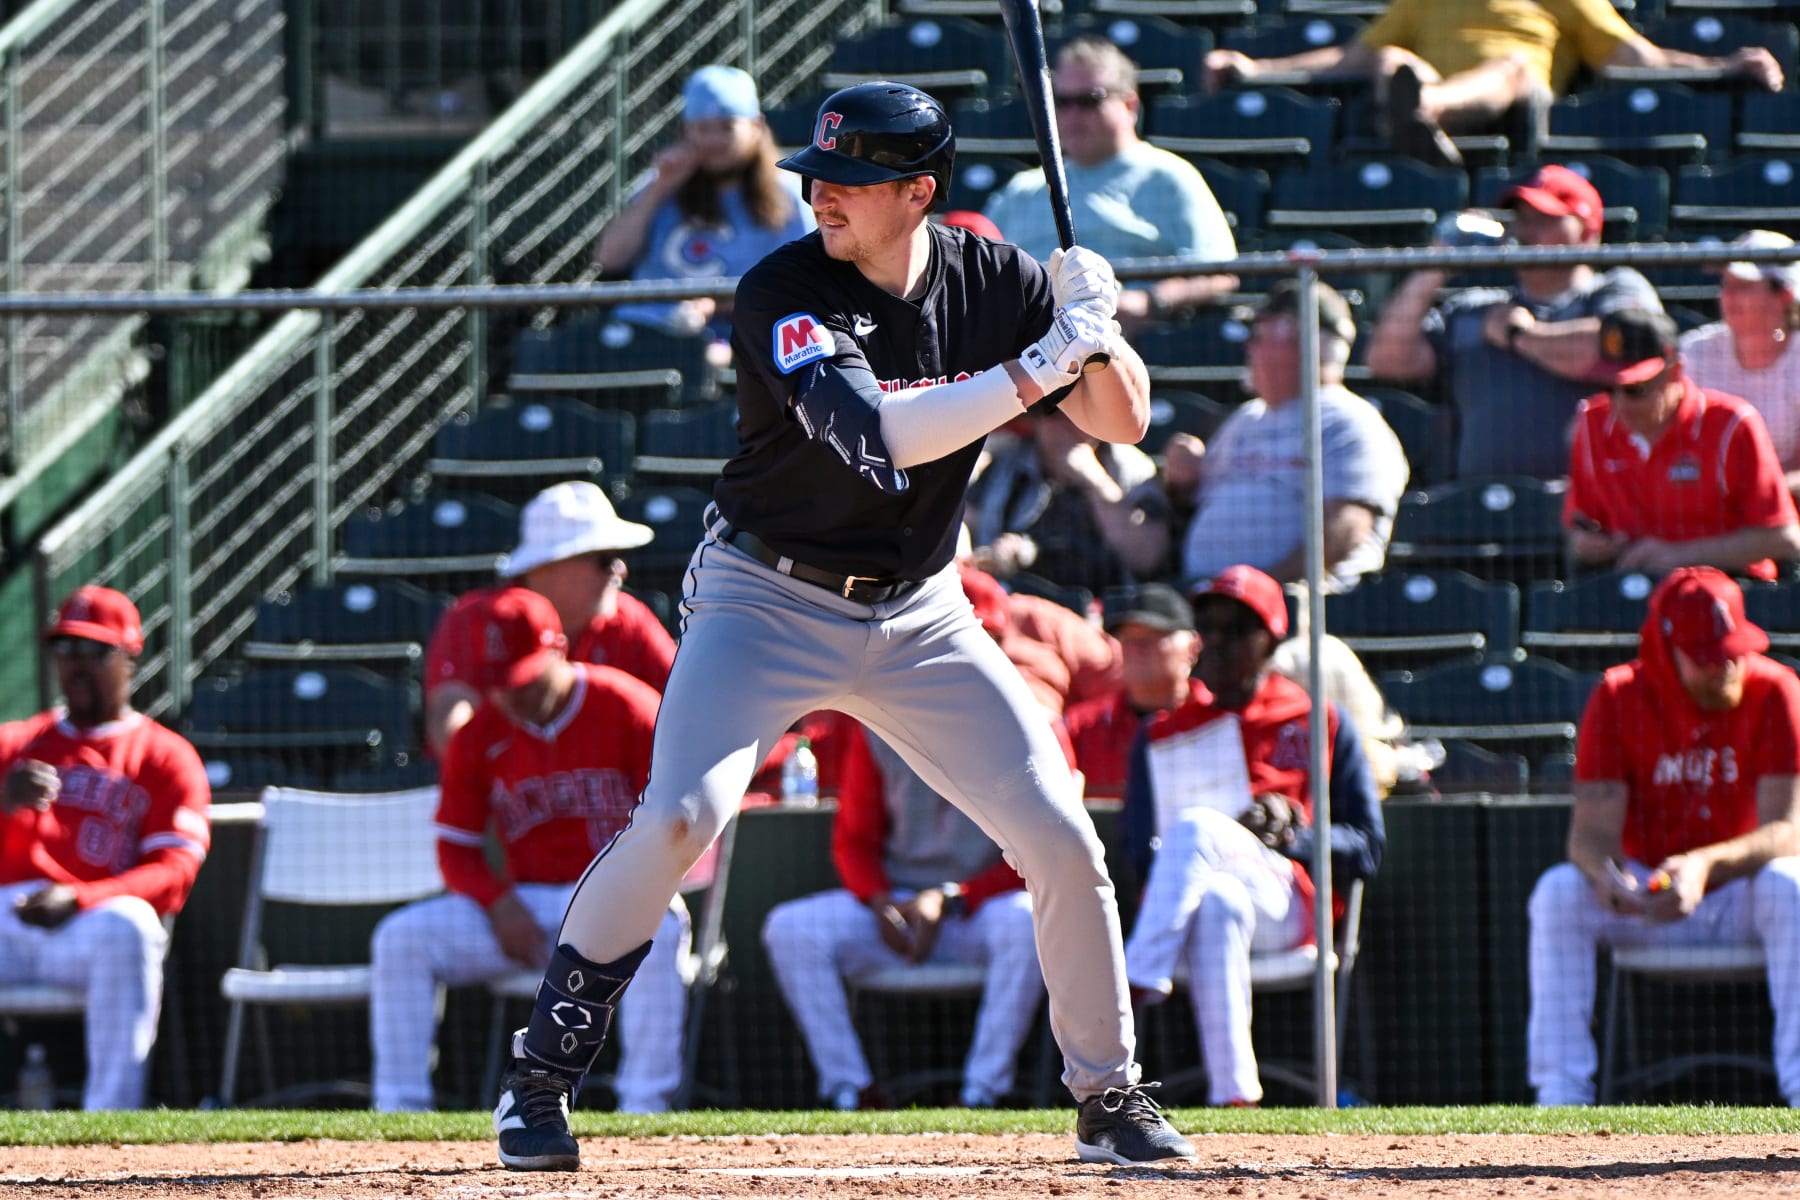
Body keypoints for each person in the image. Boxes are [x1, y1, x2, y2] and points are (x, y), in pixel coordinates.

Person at [490, 80, 1196, 1171]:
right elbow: (878, 437)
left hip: (921, 610)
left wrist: (1095, 331)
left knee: (1059, 833)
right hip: (764, 597)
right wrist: (1041, 364)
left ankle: (1109, 1092)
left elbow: (1121, 420)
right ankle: (540, 1078)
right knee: (680, 818)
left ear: (919, 192)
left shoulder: (990, 278)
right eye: (819, 176)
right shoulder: (783, 286)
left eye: (855, 183)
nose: (823, 195)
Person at [370, 587, 693, 1114]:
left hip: (618, 898)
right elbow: (457, 849)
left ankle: (645, 1107)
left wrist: (633, 896)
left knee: (665, 928)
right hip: (528, 905)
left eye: (523, 679)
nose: (512, 696)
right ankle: (400, 1110)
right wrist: (498, 905)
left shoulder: (628, 706)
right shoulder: (480, 734)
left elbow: (676, 823)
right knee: (400, 939)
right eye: (498, 684)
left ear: (561, 648)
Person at [1527, 567, 1800, 1107]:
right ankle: (1560, 1099)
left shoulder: (1775, 689)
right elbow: (1588, 838)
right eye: (1707, 656)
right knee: (1560, 892)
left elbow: (1788, 831)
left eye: (1731, 649)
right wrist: (1611, 881)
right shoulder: (1618, 694)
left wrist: (1703, 865)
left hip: (1737, 895)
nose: (1725, 666)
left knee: (1791, 883)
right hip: (1649, 896)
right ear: (1666, 648)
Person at [1120, 566, 1385, 1107]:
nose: (1216, 642)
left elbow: (1367, 846)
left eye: (1236, 630)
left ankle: (1134, 981)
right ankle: (1235, 1095)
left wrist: (1296, 834)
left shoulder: (1317, 719)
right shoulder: (1166, 728)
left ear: (1271, 639)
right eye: (1208, 629)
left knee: (1196, 824)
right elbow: (1134, 849)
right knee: (1217, 896)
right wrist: (1178, 856)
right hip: (1199, 904)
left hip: (1289, 905)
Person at [761, 719, 1052, 1111]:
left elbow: (1045, 850)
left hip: (981, 909)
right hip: (899, 910)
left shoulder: (1021, 722)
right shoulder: (880, 727)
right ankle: (854, 1093)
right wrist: (880, 900)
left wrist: (953, 898)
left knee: (1025, 920)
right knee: (792, 928)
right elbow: (854, 842)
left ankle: (981, 1094)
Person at [0, 586, 211, 1110]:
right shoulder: (15, 744)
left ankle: (112, 1117)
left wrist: (82, 899)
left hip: (86, 925)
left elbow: (174, 872)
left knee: (133, 925)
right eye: (65, 650)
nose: (75, 666)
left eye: (94, 652)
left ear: (129, 658)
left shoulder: (166, 756)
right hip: (7, 917)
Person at [1204, 0, 1783, 168]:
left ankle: (1422, 113)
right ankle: (1422, 114)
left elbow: (1639, 59)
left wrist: (1726, 66)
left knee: (1511, 65)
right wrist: (1256, 69)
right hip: (1428, 83)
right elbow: (1353, 55)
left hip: (1515, 100)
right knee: (1390, 61)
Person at [1368, 164, 1663, 480]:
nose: (1526, 232)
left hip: (1590, 505)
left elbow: (1625, 348)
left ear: (1588, 232)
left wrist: (1520, 336)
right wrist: (1435, 262)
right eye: (1522, 219)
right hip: (1481, 512)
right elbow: (1388, 360)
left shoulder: (1615, 289)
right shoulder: (1476, 307)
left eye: (1545, 219)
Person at [983, 36, 1238, 332]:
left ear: (1130, 105)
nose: (1073, 115)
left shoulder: (1169, 176)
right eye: (1062, 102)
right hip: (1031, 350)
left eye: (1089, 101)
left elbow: (1221, 272)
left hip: (1126, 349)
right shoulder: (1021, 190)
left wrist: (1150, 301)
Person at [1179, 280, 1410, 591]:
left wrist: (1260, 593)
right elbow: (1193, 504)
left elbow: (1345, 531)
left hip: (1303, 605)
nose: (1250, 347)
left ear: (1303, 341)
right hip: (1216, 603)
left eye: (1260, 335)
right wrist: (1177, 483)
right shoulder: (1246, 418)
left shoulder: (1350, 421)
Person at [424, 481, 675, 756]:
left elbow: (687, 702)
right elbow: (450, 724)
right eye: (605, 559)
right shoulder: (474, 619)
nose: (620, 571)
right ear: (547, 567)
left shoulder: (628, 617)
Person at [1565, 307, 1800, 581]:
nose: (1620, 404)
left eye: (1635, 389)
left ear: (1674, 371)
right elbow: (1578, 527)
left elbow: (1784, 538)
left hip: (1730, 589)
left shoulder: (1732, 424)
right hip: (1633, 591)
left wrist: (1679, 556)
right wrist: (1586, 544)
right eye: (1609, 387)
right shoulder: (1592, 422)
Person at [594, 65, 814, 339]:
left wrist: (718, 304)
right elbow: (610, 259)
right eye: (702, 128)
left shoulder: (790, 194)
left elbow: (805, 284)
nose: (713, 140)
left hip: (745, 339)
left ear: (756, 126)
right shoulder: (662, 183)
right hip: (644, 331)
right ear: (686, 130)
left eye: (726, 127)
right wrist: (657, 189)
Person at [964, 407, 1169, 595]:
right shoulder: (1006, 463)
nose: (1065, 425)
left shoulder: (1131, 467)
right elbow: (963, 527)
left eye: (1078, 413)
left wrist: (1095, 481)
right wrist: (995, 553)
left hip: (1108, 603)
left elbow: (1147, 558)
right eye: (1054, 413)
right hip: (1013, 598)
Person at [1680, 230, 1800, 499]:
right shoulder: (1695, 351)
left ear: (1784, 296)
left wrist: (1754, 493)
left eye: (1743, 286)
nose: (1729, 296)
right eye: (1726, 284)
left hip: (1787, 506)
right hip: (1705, 500)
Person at [1064, 583, 1207, 802]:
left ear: (1193, 647)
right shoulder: (1081, 727)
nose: (1137, 649)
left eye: (1154, 637)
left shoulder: (1219, 720)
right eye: (1128, 638)